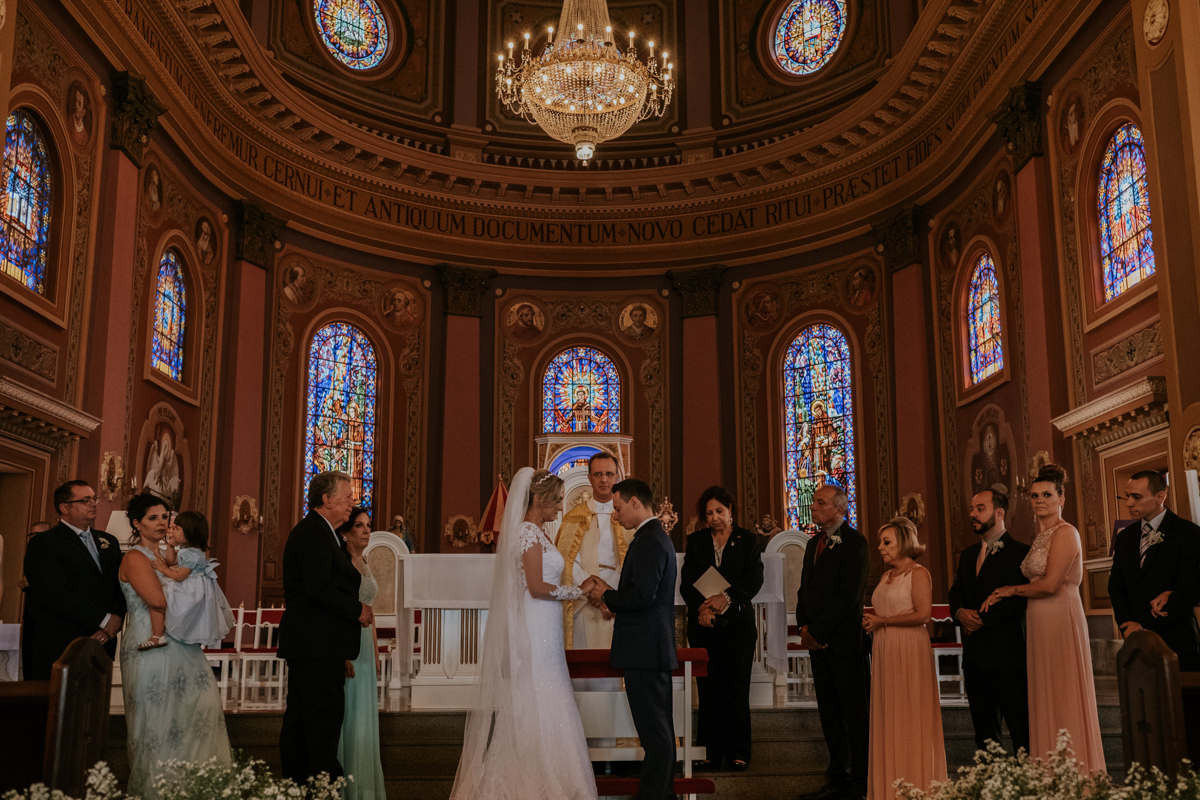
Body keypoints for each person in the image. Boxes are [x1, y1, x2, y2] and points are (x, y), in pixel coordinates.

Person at [450, 468, 596, 800]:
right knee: (537, 693)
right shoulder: (528, 534)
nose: (560, 507)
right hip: (535, 622)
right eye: (557, 501)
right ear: (541, 500)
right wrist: (576, 592)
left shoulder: (539, 533)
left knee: (548, 692)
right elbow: (536, 587)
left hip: (547, 625)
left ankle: (550, 775)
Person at [983, 464, 1105, 772]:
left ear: (1062, 498)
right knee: (1044, 693)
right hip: (1037, 621)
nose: (1039, 500)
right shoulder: (1041, 536)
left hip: (1060, 617)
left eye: (1047, 495)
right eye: (1034, 495)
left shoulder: (1067, 533)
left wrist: (1010, 589)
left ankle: (1074, 771)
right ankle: (1048, 770)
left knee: (1062, 691)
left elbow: (1051, 585)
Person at [119, 493, 231, 798]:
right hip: (151, 645)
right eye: (153, 518)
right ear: (136, 523)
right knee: (159, 722)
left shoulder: (180, 555)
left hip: (183, 644)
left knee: (198, 712)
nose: (162, 523)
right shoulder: (134, 558)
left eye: (165, 517)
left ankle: (197, 787)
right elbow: (157, 600)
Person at [584, 478, 679, 800]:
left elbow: (643, 597)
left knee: (655, 734)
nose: (616, 515)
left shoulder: (650, 539)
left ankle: (658, 796)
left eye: (619, 507)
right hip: (648, 647)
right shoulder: (651, 537)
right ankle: (661, 793)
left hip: (646, 648)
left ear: (636, 502)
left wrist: (607, 595)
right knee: (657, 732)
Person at [278, 471, 373, 783]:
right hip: (315, 645)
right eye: (347, 496)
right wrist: (357, 609)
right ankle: (318, 788)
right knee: (317, 728)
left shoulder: (324, 532)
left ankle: (302, 787)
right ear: (327, 499)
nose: (352, 502)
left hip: (319, 645)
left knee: (308, 726)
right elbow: (318, 588)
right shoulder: (313, 532)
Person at [680, 486, 765, 772]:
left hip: (737, 626)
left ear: (731, 510)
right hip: (703, 625)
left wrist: (726, 598)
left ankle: (739, 752)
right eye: (709, 513)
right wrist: (702, 609)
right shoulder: (697, 541)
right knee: (708, 689)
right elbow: (687, 581)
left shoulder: (749, 541)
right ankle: (709, 752)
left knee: (736, 688)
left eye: (719, 511)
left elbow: (753, 580)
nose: (715, 518)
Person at [862, 517, 946, 799]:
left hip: (909, 649)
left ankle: (916, 782)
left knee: (911, 715)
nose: (880, 548)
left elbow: (923, 615)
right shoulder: (887, 576)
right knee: (889, 715)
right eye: (880, 542)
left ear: (905, 542)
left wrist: (882, 621)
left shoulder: (918, 573)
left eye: (887, 542)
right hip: (885, 649)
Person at [796, 484, 870, 800]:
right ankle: (837, 777)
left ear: (839, 509)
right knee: (829, 714)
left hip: (843, 644)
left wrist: (819, 632)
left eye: (820, 502)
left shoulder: (854, 543)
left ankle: (860, 782)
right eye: (813, 502)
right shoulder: (814, 543)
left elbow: (847, 596)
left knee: (853, 716)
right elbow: (805, 591)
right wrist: (803, 627)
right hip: (818, 643)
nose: (813, 507)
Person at [948, 486, 1031, 754]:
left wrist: (981, 619)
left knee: (1021, 730)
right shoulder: (969, 554)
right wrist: (960, 613)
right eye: (972, 508)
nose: (972, 514)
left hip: (1007, 656)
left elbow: (1019, 598)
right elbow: (957, 591)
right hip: (975, 658)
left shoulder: (1020, 552)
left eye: (979, 509)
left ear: (999, 513)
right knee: (984, 734)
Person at [22, 481, 125, 679]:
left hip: (104, 643)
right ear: (64, 508)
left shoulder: (108, 542)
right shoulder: (44, 543)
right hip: (63, 641)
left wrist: (116, 620)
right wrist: (104, 619)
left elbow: (120, 585)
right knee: (60, 706)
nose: (93, 503)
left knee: (95, 705)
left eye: (94, 498)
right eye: (85, 500)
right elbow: (54, 594)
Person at [1108, 470, 1200, 671]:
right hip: (1135, 644)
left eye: (1137, 497)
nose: (1129, 503)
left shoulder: (1187, 533)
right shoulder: (1125, 538)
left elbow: (1190, 590)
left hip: (1176, 641)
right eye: (1127, 496)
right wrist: (1128, 625)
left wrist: (1142, 625)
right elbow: (1115, 587)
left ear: (1160, 497)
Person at [556, 452, 630, 648]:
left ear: (617, 477)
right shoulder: (574, 517)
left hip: (618, 598)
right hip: (584, 601)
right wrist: (593, 593)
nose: (604, 479)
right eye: (598, 474)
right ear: (589, 477)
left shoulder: (628, 518)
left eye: (609, 474)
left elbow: (631, 560)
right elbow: (567, 560)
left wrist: (610, 594)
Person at [338, 507, 387, 800]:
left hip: (366, 645)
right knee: (350, 711)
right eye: (359, 525)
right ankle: (348, 786)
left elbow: (371, 611)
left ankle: (365, 787)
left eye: (368, 525)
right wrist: (343, 653)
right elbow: (340, 611)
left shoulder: (364, 561)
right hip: (348, 644)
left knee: (366, 712)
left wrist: (376, 647)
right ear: (345, 533)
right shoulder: (343, 564)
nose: (366, 530)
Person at [150, 512, 235, 648]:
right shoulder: (187, 549)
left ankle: (162, 633)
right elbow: (171, 562)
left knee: (168, 599)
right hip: (188, 583)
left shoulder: (193, 554)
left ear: (189, 533)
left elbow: (179, 576)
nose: (173, 532)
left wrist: (162, 569)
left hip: (192, 589)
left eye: (177, 529)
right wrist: (170, 547)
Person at [19, 521, 51, 678]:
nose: (32, 538)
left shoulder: (55, 554)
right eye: (30, 535)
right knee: (28, 659)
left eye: (36, 534)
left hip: (48, 616)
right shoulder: (30, 555)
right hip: (31, 614)